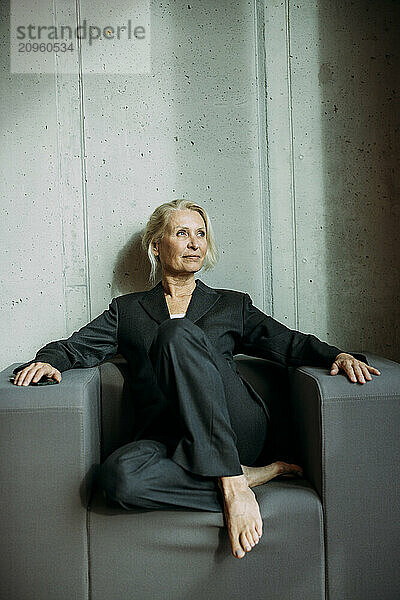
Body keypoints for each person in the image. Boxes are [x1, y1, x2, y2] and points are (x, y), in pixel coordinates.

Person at [12, 199, 381, 560]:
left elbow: (288, 343)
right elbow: (79, 346)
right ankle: (242, 478)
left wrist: (336, 355)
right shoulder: (128, 311)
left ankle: (232, 479)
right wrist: (49, 360)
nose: (194, 243)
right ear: (157, 246)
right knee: (118, 479)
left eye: (201, 234)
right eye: (182, 233)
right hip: (168, 437)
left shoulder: (230, 304)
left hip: (235, 428)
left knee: (176, 333)